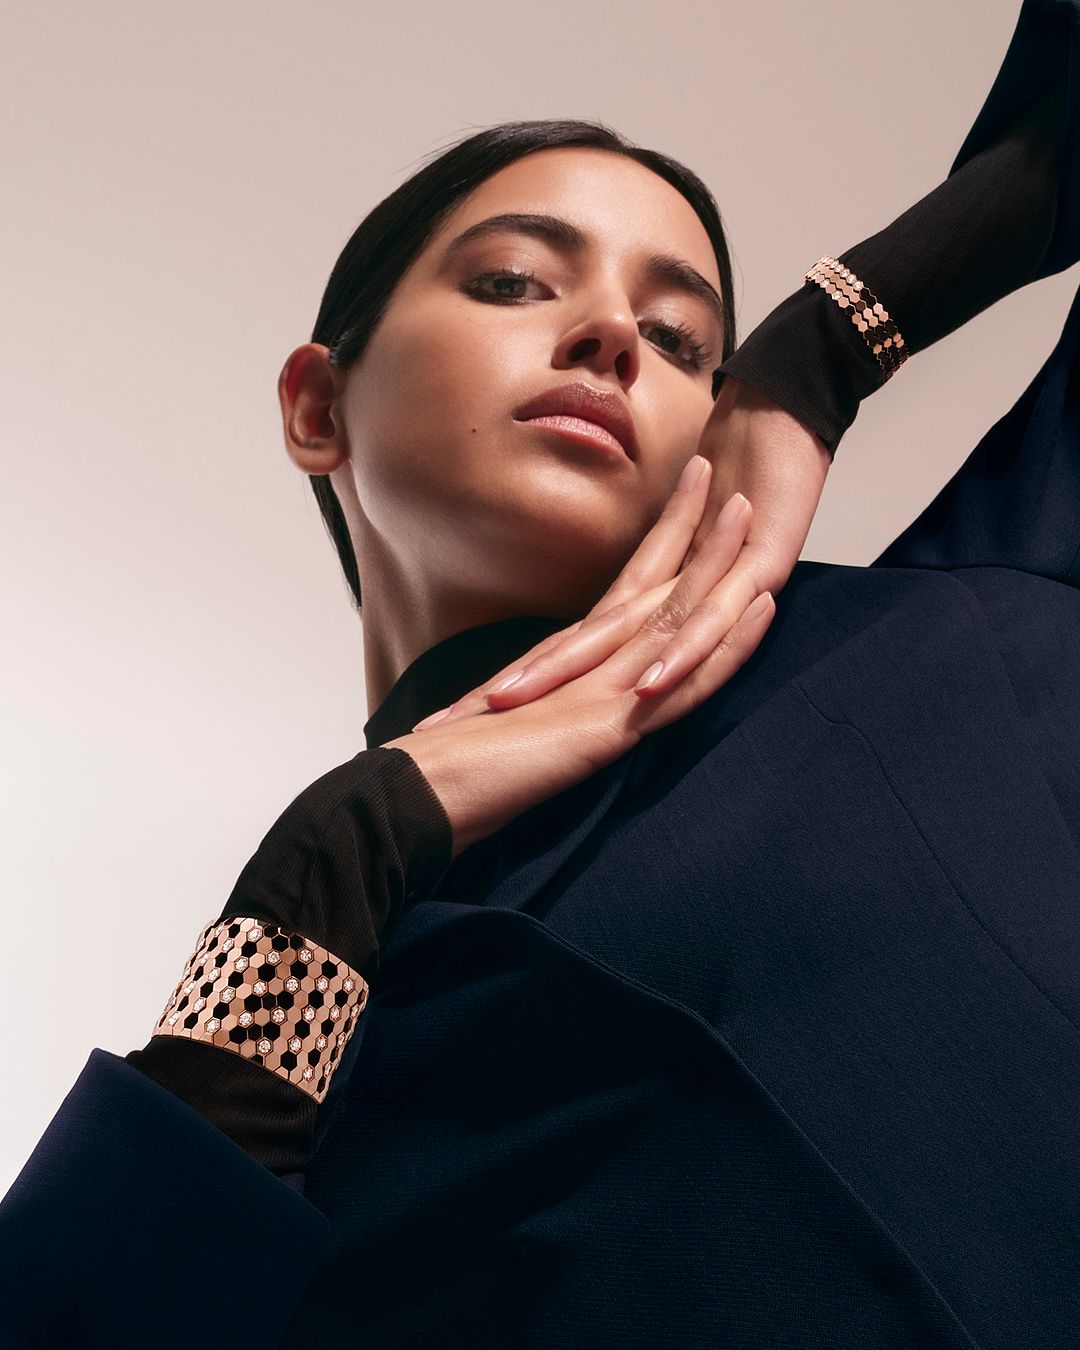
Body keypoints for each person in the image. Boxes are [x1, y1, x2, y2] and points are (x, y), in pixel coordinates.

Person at [2, 0, 1077, 1344]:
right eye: (514, 281)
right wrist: (337, 855)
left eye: (684, 342)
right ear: (319, 406)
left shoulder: (962, 632)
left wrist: (831, 341)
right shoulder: (306, 1051)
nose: (612, 333)